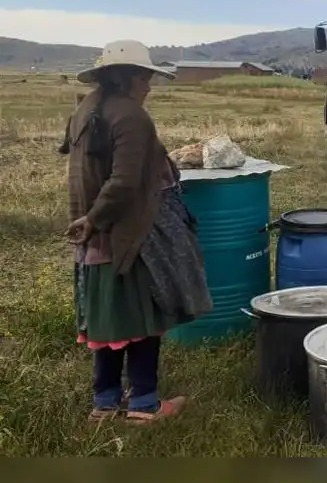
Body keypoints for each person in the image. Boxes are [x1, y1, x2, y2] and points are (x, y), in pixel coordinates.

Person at [63, 39, 213, 423]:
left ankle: (106, 402)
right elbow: (125, 182)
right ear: (126, 77)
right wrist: (96, 218)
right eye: (144, 77)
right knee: (144, 319)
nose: (148, 86)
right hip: (130, 234)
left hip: (97, 238)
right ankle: (145, 406)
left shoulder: (86, 109)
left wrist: (89, 220)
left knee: (111, 323)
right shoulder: (131, 116)